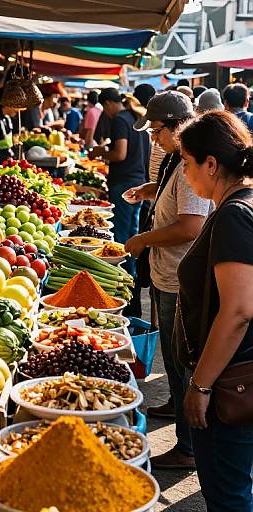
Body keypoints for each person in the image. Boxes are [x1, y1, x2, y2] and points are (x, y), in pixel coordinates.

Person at [125, 91, 211, 469]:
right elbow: (177, 203)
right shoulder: (177, 161)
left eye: (157, 130)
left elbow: (191, 225)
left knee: (181, 359)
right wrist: (150, 192)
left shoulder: (190, 164)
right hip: (166, 273)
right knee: (174, 359)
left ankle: (187, 446)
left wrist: (144, 240)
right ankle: (177, 408)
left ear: (177, 126)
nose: (153, 138)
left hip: (179, 277)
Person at [176, 110, 253, 511]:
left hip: (229, 384)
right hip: (233, 376)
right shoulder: (237, 206)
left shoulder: (234, 217)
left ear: (211, 163)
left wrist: (200, 386)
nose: (185, 173)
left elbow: (238, 310)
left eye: (186, 162)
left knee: (228, 495)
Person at [90, 88, 150, 252]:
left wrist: (99, 152)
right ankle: (133, 272)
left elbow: (120, 154)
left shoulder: (120, 120)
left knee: (121, 233)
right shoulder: (136, 116)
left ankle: (125, 273)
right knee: (133, 231)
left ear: (108, 104)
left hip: (123, 183)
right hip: (139, 181)